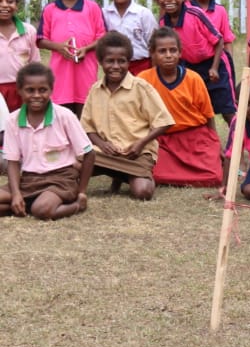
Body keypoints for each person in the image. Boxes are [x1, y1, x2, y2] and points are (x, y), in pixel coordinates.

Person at [80, 31, 174, 200]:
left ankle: (132, 175)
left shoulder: (141, 88)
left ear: (128, 62)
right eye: (110, 61)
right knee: (71, 166)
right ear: (100, 62)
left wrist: (141, 143)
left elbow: (164, 122)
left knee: (143, 192)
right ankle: (118, 173)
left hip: (136, 153)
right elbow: (87, 128)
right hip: (103, 153)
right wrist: (102, 144)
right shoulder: (95, 90)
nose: (116, 66)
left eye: (121, 61)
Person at [0, 62, 94, 219]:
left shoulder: (65, 116)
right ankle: (23, 203)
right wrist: (16, 194)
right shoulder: (12, 120)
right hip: (29, 179)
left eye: (42, 90)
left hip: (61, 179)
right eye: (30, 90)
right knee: (26, 203)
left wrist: (82, 191)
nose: (36, 95)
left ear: (51, 90)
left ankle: (76, 205)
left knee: (41, 210)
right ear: (20, 91)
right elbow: (13, 162)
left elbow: (89, 154)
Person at [139, 28, 223, 188]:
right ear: (152, 54)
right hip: (163, 140)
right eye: (162, 51)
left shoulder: (194, 79)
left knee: (214, 177)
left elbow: (208, 116)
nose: (168, 55)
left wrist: (215, 144)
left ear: (180, 53)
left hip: (195, 138)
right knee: (152, 173)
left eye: (173, 50)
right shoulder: (143, 79)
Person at [152, 0, 236, 122]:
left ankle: (238, 144)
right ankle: (211, 142)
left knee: (228, 109)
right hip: (189, 68)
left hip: (214, 63)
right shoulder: (164, 23)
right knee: (200, 109)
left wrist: (214, 68)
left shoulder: (195, 14)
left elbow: (219, 41)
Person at [37, 0, 105, 117]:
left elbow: (102, 37)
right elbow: (40, 39)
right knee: (62, 112)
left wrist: (86, 49)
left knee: (86, 108)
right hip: (60, 72)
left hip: (86, 69)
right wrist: (59, 47)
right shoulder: (50, 10)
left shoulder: (92, 7)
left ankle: (85, 140)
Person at [187, 0, 237, 96]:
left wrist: (228, 67)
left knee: (225, 103)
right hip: (189, 65)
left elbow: (226, 41)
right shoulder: (184, 8)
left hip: (215, 64)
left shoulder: (220, 11)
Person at [101, 0, 157, 76]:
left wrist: (154, 72)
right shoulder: (104, 14)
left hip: (142, 66)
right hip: (114, 67)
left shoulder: (143, 14)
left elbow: (154, 45)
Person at [0, 0, 38, 111]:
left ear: (16, 4)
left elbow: (34, 64)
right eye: (0, 1)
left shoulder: (28, 31)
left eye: (9, 1)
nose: (4, 5)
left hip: (22, 90)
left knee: (21, 127)